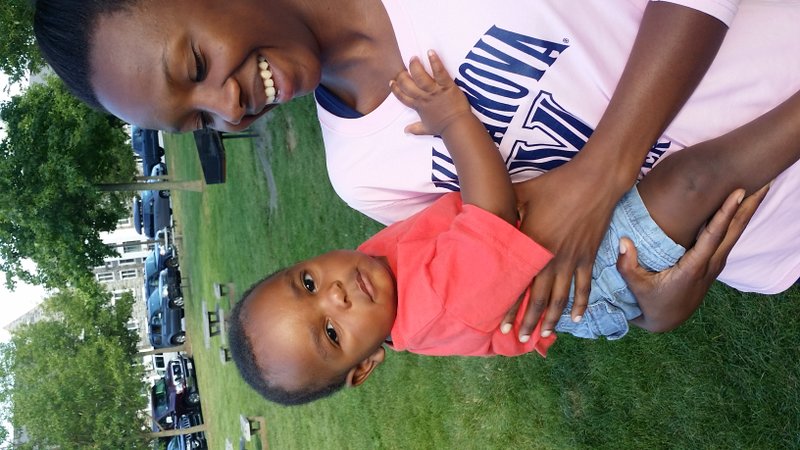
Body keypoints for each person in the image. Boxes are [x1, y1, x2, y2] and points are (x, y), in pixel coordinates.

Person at [33, 0, 800, 343]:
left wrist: (603, 171)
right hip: (773, 249)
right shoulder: (361, 174)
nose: (228, 107)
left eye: (195, 64)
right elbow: (531, 278)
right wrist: (654, 312)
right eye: (198, 120)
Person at [226, 52, 794, 406]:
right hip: (592, 282)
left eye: (306, 283)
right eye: (331, 334)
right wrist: (451, 119)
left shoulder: (373, 273)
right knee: (692, 180)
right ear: (366, 365)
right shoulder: (431, 304)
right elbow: (492, 213)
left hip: (547, 266)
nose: (335, 295)